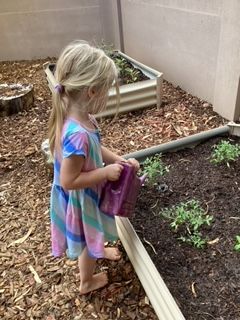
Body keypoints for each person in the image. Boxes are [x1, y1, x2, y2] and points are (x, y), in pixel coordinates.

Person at [48, 40, 139, 294]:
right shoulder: (76, 133)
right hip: (79, 199)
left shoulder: (80, 117)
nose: (108, 95)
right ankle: (86, 281)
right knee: (88, 239)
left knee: (94, 232)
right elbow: (69, 180)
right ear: (91, 92)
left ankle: (100, 250)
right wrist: (104, 173)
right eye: (106, 89)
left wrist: (118, 160)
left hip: (85, 193)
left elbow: (95, 149)